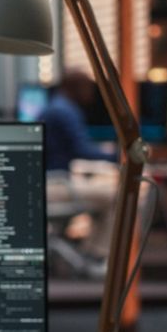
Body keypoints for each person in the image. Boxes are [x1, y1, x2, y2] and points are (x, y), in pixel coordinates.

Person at [41, 71, 118, 263]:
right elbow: (82, 150)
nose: (91, 93)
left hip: (50, 181)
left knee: (106, 193)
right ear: (74, 87)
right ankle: (97, 255)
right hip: (53, 184)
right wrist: (120, 155)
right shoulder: (64, 111)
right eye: (88, 88)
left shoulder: (55, 106)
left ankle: (91, 252)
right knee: (117, 196)